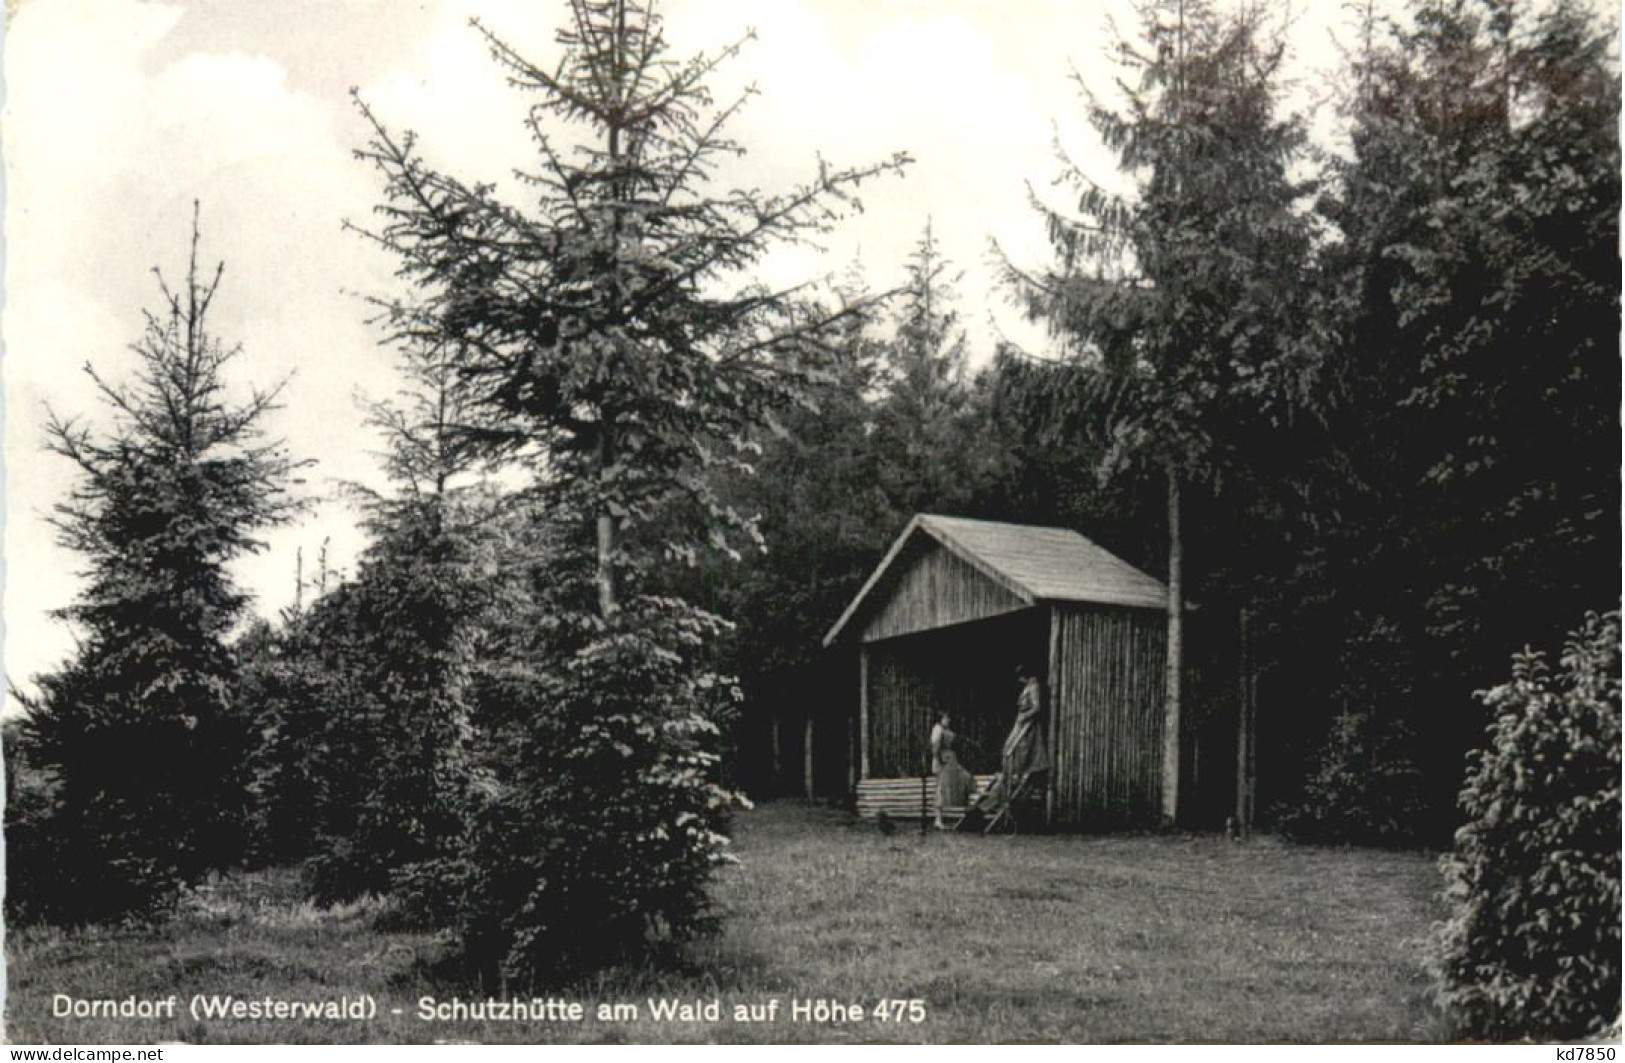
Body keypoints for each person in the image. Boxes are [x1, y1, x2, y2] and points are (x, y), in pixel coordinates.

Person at [929, 712, 975, 828]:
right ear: (940, 719)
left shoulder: (947, 730)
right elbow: (935, 748)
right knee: (940, 789)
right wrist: (941, 760)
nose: (948, 720)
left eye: (948, 718)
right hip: (943, 761)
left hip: (951, 760)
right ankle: (938, 820)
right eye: (945, 718)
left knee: (965, 779)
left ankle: (967, 813)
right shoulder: (938, 729)